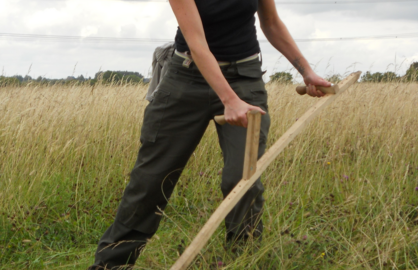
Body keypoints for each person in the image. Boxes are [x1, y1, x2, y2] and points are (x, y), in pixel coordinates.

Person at [89, 0, 330, 268]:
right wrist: (229, 100)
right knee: (150, 180)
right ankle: (111, 264)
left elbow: (271, 23)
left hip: (244, 77)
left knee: (243, 178)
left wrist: (306, 72)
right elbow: (198, 45)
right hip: (186, 78)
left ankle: (244, 260)